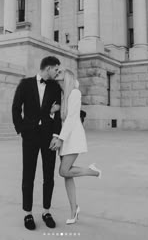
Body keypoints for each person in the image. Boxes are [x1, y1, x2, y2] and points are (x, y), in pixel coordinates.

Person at [12, 56, 62, 231]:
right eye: (56, 69)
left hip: (49, 137)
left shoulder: (56, 87)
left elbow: (57, 114)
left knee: (49, 176)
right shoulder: (25, 84)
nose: (58, 72)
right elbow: (16, 108)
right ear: (48, 68)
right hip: (30, 136)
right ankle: (28, 213)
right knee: (29, 175)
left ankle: (46, 211)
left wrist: (57, 136)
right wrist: (22, 130)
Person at [49, 69, 102, 225]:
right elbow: (60, 120)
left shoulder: (74, 93)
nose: (57, 74)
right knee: (67, 176)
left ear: (67, 77)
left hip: (72, 138)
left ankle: (93, 171)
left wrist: (60, 139)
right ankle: (74, 210)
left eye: (59, 73)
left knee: (63, 170)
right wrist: (53, 112)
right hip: (64, 138)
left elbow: (72, 119)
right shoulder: (62, 96)